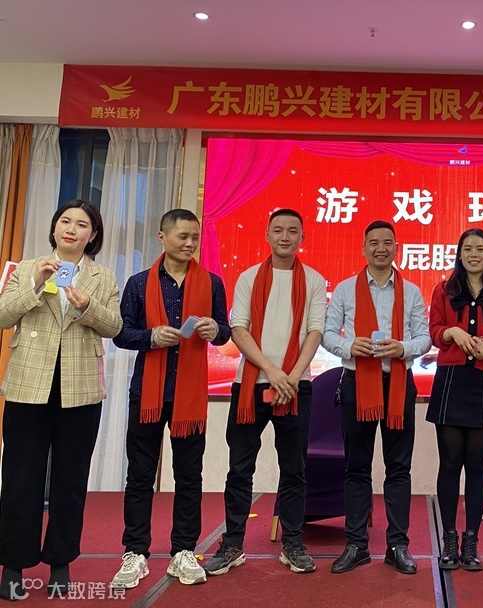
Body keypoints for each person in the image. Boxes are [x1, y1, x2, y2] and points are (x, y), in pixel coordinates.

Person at [0, 200, 123, 600]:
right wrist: (35, 283)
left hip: (80, 389)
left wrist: (88, 306)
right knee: (20, 478)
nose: (72, 228)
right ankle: (13, 564)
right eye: (65, 221)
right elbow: (2, 316)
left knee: (70, 480)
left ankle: (60, 562)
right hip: (28, 385)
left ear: (93, 235)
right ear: (54, 229)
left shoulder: (103, 277)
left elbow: (115, 326)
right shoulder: (25, 268)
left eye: (81, 224)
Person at [110, 209, 231, 589]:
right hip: (147, 393)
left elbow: (225, 332)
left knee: (189, 476)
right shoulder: (138, 283)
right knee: (140, 476)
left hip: (189, 396)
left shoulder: (211, 283)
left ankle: (183, 551)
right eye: (183, 236)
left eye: (195, 237)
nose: (190, 243)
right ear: (162, 237)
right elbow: (121, 333)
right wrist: (150, 337)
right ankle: (135, 552)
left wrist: (214, 329)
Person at [203, 209, 327, 577]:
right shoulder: (248, 277)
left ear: (302, 237)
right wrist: (272, 371)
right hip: (250, 387)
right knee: (240, 470)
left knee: (294, 470)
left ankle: (292, 543)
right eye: (278, 230)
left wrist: (292, 376)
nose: (285, 236)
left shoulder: (314, 280)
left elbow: (315, 332)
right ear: (268, 235)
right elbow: (239, 329)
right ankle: (232, 544)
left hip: (296, 388)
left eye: (293, 231)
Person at [323, 220, 431, 575]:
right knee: (356, 467)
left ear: (397, 248)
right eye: (374, 242)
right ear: (364, 248)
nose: (381, 248)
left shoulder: (411, 291)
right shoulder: (345, 289)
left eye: (387, 242)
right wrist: (348, 346)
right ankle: (356, 544)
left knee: (399, 468)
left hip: (398, 382)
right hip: (357, 382)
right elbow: (327, 333)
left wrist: (403, 347)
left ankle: (398, 545)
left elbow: (425, 338)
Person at [427, 228, 483, 571]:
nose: (474, 254)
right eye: (467, 248)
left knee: (477, 465)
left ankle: (471, 543)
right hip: (451, 381)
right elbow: (434, 332)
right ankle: (449, 540)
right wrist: (452, 332)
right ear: (459, 253)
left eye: (480, 249)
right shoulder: (444, 290)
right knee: (450, 463)